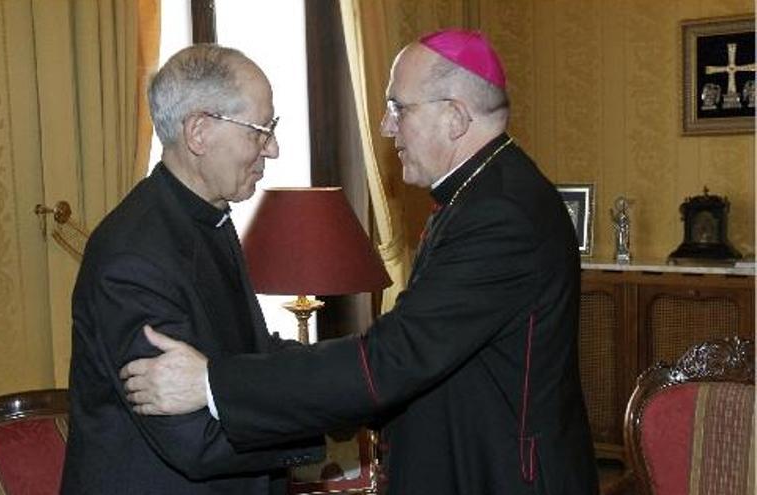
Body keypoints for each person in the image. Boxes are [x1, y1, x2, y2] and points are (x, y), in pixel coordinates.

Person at [120, 29, 599, 494]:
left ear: (453, 116)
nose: (387, 126)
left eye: (398, 108)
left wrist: (212, 384)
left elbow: (393, 359)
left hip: (499, 474)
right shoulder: (481, 193)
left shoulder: (500, 213)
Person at [60, 44, 323, 494]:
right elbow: (196, 437)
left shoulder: (206, 214)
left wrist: (353, 369)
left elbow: (246, 357)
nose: (273, 148)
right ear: (199, 132)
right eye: (260, 131)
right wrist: (327, 420)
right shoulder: (133, 258)